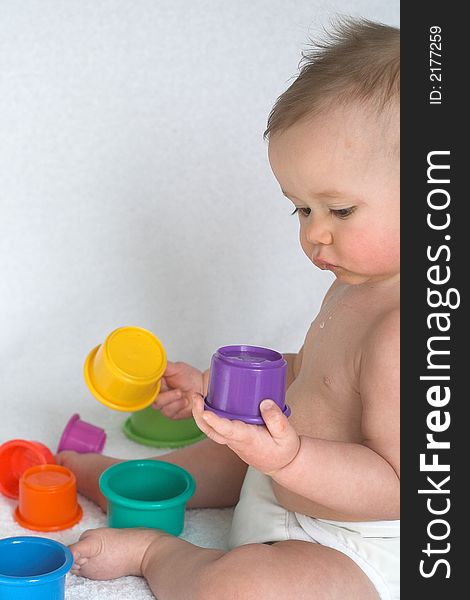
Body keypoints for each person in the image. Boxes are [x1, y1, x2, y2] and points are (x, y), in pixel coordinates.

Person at [58, 17, 400, 600]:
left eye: (339, 210)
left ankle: (156, 549)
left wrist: (290, 456)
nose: (316, 234)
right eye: (301, 209)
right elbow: (317, 378)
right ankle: (114, 477)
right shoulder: (357, 282)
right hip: (282, 479)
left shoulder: (412, 334)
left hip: (357, 540)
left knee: (239, 589)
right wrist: (219, 390)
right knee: (225, 451)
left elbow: (398, 485)